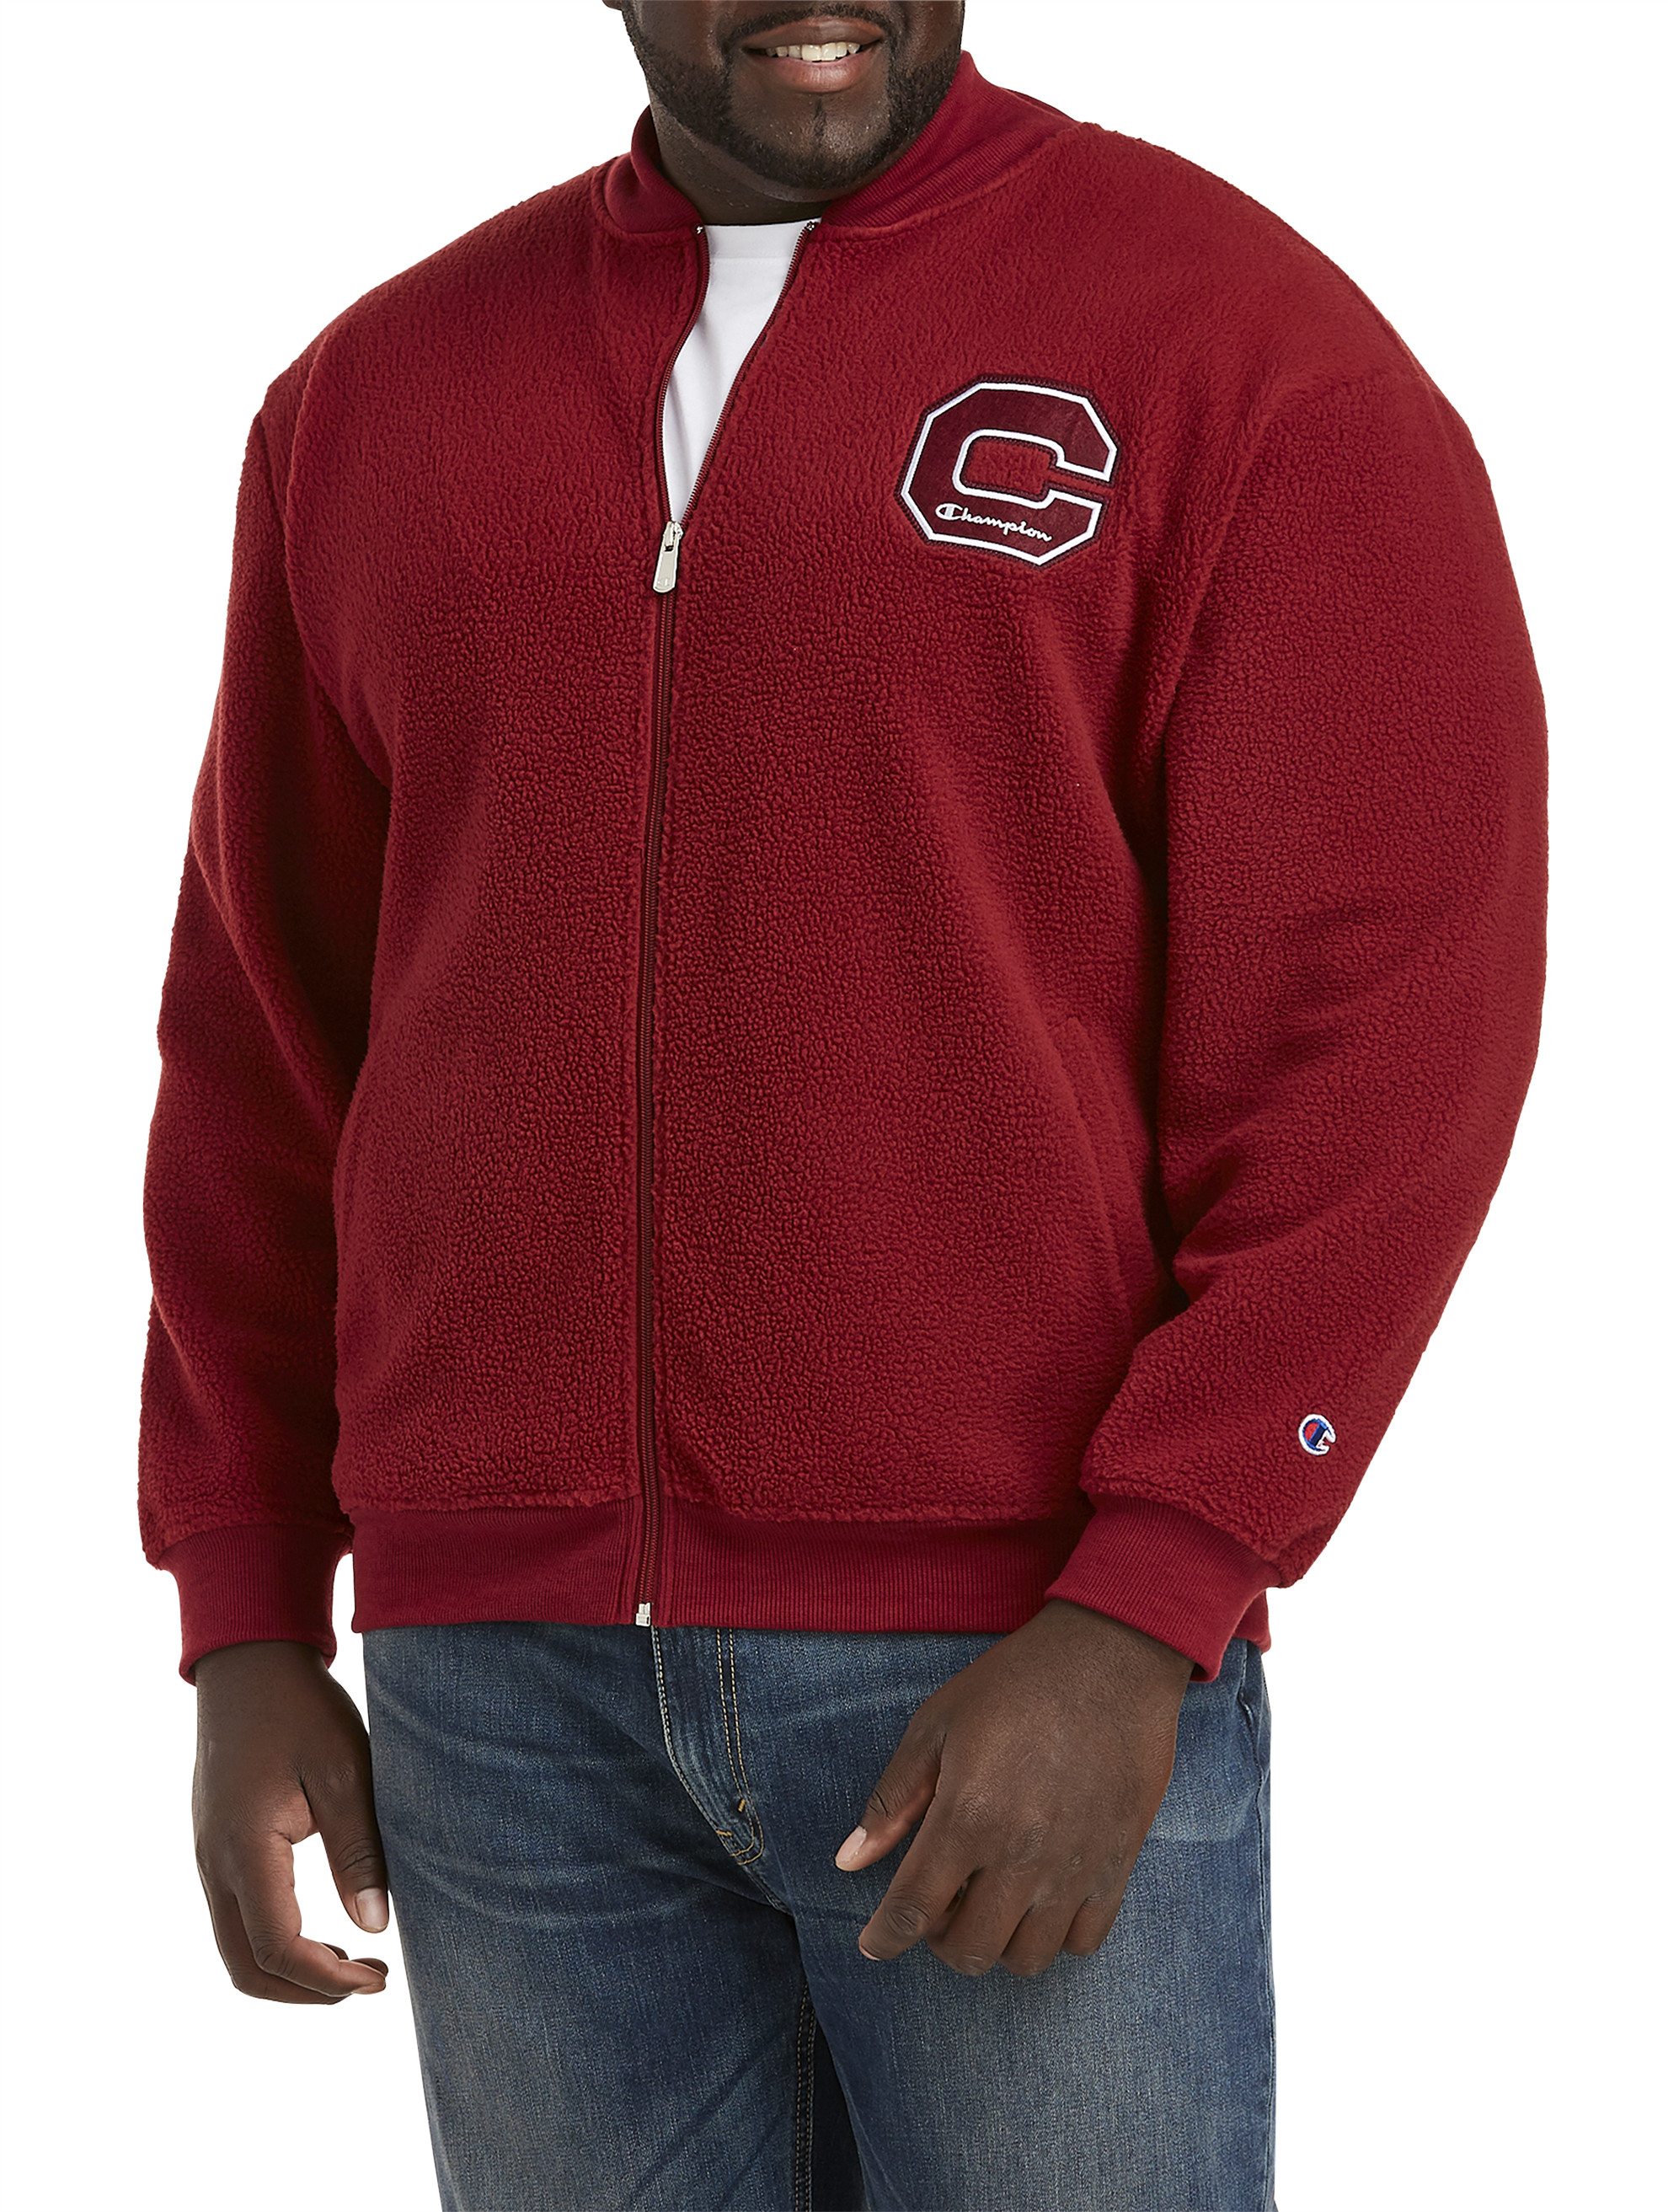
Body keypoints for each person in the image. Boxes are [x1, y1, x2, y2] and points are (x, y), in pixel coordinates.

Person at [138, 5, 1547, 2206]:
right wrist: (244, 1605)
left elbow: (1387, 1032)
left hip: (1017, 1655)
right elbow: (264, 1038)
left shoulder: (1241, 356)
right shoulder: (373, 403)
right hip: (499, 1693)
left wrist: (1150, 1593)